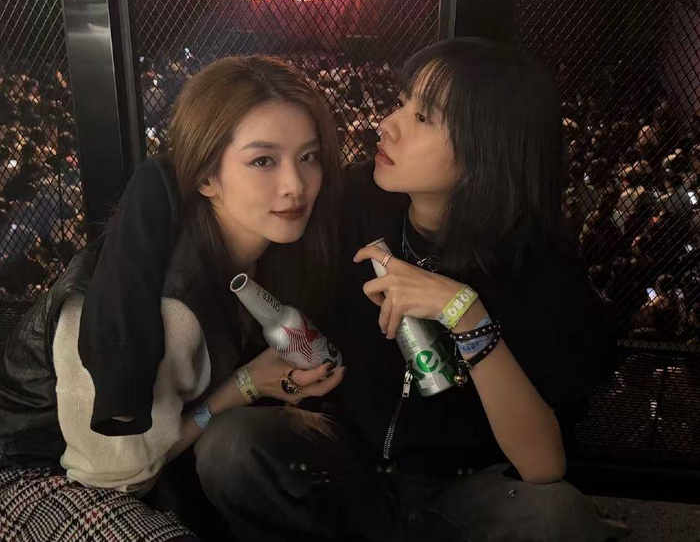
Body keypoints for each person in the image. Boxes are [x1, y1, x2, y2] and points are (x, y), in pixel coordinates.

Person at [78, 39, 629, 541]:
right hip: (348, 465)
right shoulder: (353, 204)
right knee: (234, 445)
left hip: (464, 489)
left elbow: (542, 466)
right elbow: (204, 184)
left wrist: (465, 313)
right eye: (402, 103)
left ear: (490, 147)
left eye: (422, 117)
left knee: (555, 515)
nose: (387, 124)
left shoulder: (541, 268)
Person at [0, 56, 347, 541]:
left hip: (149, 462)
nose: (295, 185)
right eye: (262, 161)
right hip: (39, 478)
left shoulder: (260, 248)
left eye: (308, 157)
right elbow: (122, 480)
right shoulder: (165, 306)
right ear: (206, 178)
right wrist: (246, 385)